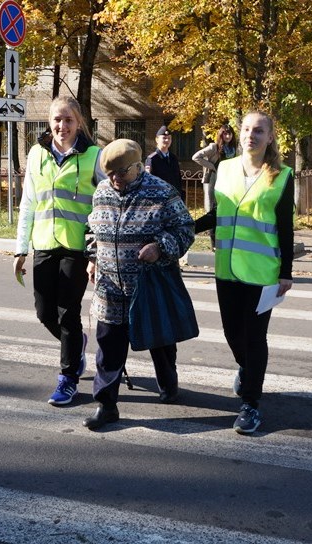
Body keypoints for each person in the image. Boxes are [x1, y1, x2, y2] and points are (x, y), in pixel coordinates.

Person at [83, 139, 195, 430]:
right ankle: (106, 405)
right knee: (108, 347)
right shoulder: (102, 191)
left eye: (121, 173)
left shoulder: (161, 191)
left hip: (149, 286)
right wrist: (93, 256)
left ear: (137, 167)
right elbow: (92, 228)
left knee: (160, 341)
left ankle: (168, 382)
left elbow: (185, 229)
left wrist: (160, 246)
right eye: (109, 174)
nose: (114, 179)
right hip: (109, 286)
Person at [194, 111, 294, 435]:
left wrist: (286, 272)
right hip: (226, 268)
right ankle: (245, 368)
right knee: (231, 334)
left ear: (269, 137)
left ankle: (250, 404)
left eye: (259, 130)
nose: (252, 135)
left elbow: (284, 227)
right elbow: (217, 214)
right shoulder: (224, 169)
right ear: (240, 134)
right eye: (247, 129)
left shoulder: (281, 175)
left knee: (254, 338)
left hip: (262, 273)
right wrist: (186, 228)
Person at [13, 96, 103, 406]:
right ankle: (76, 346)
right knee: (44, 312)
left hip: (76, 248)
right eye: (56, 120)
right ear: (49, 123)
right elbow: (28, 204)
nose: (61, 126)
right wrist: (20, 249)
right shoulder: (38, 154)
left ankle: (68, 379)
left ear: (79, 122)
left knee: (68, 313)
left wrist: (95, 255)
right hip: (44, 246)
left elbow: (102, 206)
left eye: (68, 120)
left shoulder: (94, 156)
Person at [192, 124, 238, 212]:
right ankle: (210, 223)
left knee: (223, 204)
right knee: (211, 204)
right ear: (221, 135)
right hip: (213, 177)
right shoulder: (214, 147)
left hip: (227, 179)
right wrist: (211, 166)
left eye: (230, 134)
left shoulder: (233, 148)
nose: (228, 136)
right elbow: (195, 157)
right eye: (225, 134)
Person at [145, 125, 185, 200]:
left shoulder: (173, 158)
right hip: (159, 199)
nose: (167, 140)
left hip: (174, 198)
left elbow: (178, 180)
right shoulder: (152, 159)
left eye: (169, 138)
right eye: (164, 138)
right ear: (157, 139)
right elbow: (148, 182)